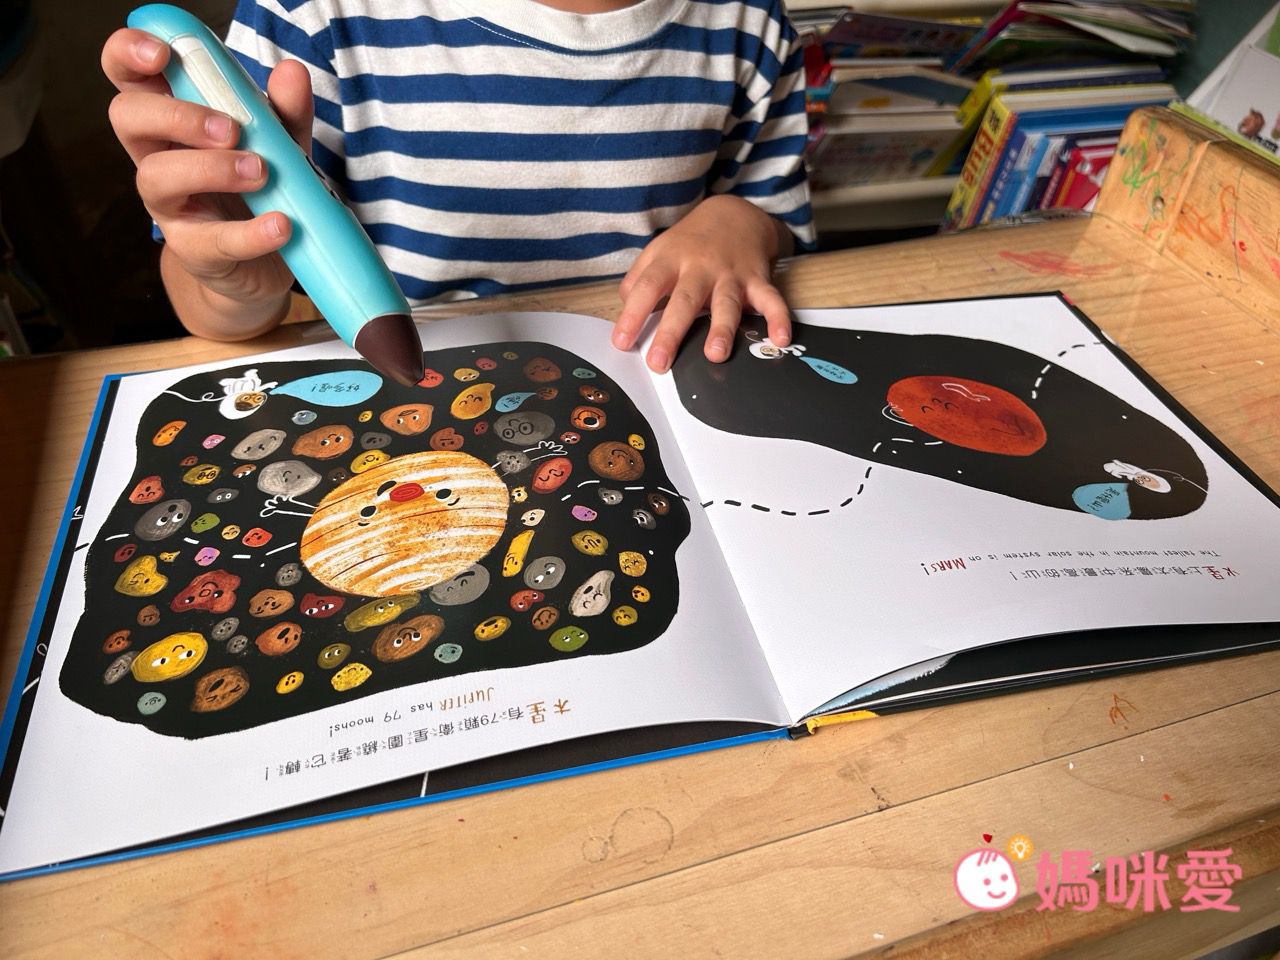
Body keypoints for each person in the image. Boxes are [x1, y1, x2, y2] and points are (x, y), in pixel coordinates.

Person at [102, 0, 814, 373]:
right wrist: (234, 287)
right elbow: (214, 311)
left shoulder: (751, 24)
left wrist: (740, 222)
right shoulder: (312, 14)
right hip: (409, 358)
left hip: (656, 358)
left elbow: (778, 222)